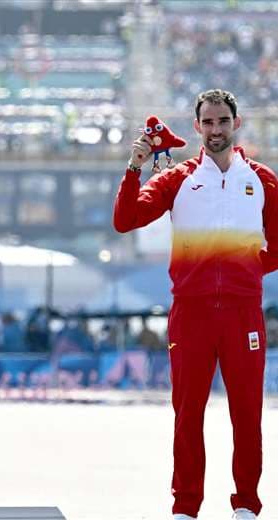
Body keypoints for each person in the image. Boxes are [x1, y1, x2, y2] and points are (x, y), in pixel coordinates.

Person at [114, 89, 278, 520]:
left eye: (223, 121)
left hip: (243, 313)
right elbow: (125, 220)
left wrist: (241, 275)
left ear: (236, 123)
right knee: (188, 416)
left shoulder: (262, 179)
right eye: (208, 122)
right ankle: (186, 508)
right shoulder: (178, 177)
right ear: (197, 127)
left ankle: (246, 505)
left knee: (247, 415)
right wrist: (134, 166)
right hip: (191, 314)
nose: (216, 130)